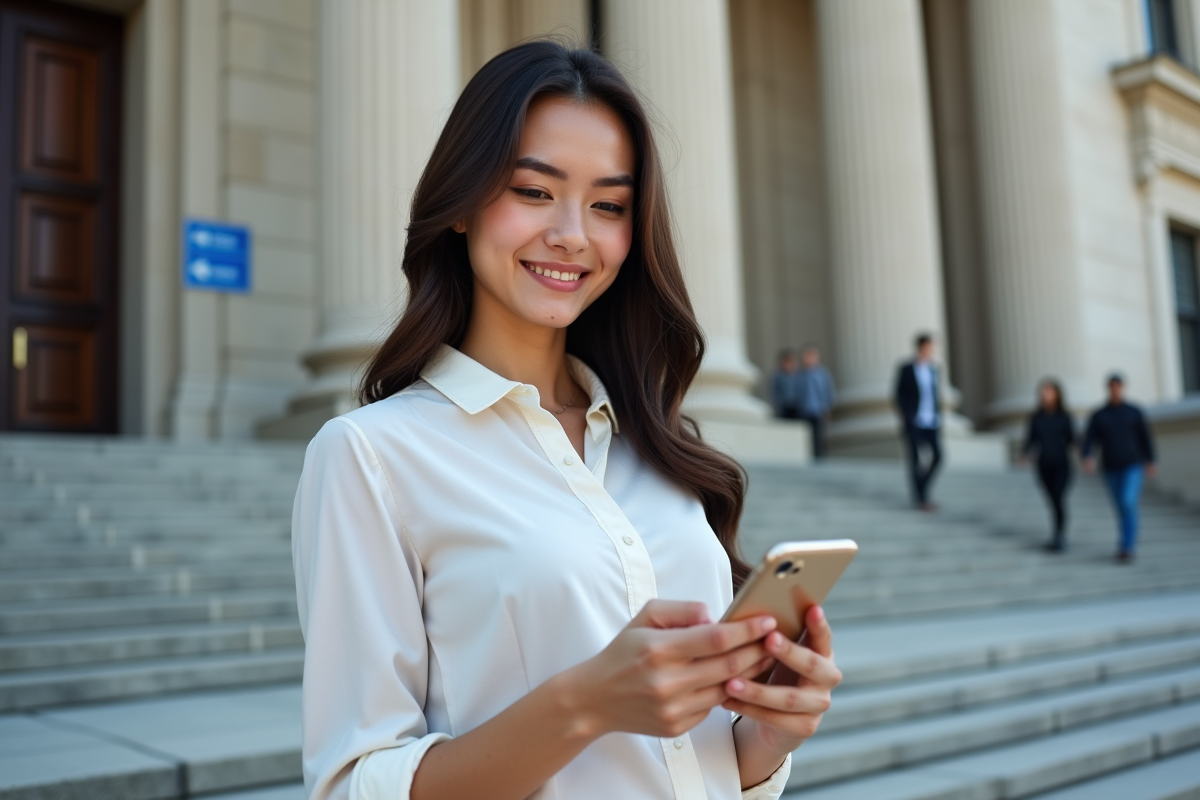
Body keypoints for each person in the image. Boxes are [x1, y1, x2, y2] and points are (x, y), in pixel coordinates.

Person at [292, 42, 842, 800]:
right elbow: (356, 783)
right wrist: (583, 705)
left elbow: (688, 763)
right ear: (462, 203)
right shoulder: (372, 457)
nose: (573, 235)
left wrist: (764, 740)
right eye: (533, 190)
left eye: (609, 205)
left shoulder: (657, 444)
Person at [1081, 374, 1157, 564]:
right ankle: (1125, 543)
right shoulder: (1099, 415)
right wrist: (1087, 456)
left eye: (1118, 385)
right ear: (1108, 388)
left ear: (1123, 387)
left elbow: (1145, 437)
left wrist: (1151, 460)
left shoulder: (1134, 411)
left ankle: (1127, 546)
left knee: (1128, 501)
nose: (1115, 388)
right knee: (1121, 507)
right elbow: (1089, 439)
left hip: (1132, 465)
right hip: (1110, 468)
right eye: (1112, 385)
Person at [1021, 379, 1076, 552]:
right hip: (1043, 465)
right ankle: (1057, 535)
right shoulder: (1036, 417)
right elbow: (1030, 439)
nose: (1045, 394)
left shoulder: (1065, 416)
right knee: (1052, 501)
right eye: (1043, 391)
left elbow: (1071, 439)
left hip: (1062, 465)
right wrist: (1024, 455)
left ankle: (1059, 536)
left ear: (1057, 394)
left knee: (1058, 498)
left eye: (1049, 391)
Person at [893, 333, 943, 511]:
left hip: (932, 421)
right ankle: (921, 498)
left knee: (938, 457)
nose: (932, 350)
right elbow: (898, 394)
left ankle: (923, 489)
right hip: (915, 421)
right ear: (921, 347)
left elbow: (935, 395)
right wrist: (907, 415)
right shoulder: (907, 368)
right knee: (915, 460)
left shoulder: (934, 369)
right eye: (929, 346)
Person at [771, 346, 836, 459]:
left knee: (818, 435)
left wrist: (827, 406)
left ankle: (819, 457)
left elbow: (827, 391)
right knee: (805, 435)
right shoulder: (800, 375)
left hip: (817, 409)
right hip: (804, 410)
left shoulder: (822, 374)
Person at [770, 349, 803, 420]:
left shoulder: (799, 376)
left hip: (797, 406)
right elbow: (775, 392)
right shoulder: (778, 376)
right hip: (784, 406)